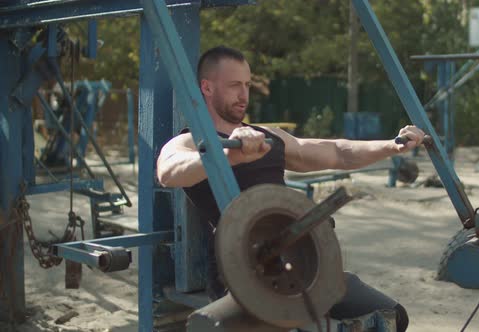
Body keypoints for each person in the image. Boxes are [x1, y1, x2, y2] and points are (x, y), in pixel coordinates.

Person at [157, 46, 425, 332]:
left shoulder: (267, 135)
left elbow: (337, 151)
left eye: (247, 85)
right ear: (207, 88)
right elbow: (168, 171)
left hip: (303, 259)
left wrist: (390, 145)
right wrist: (229, 154)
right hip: (243, 271)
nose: (244, 95)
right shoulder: (192, 141)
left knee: (392, 316)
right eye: (235, 86)